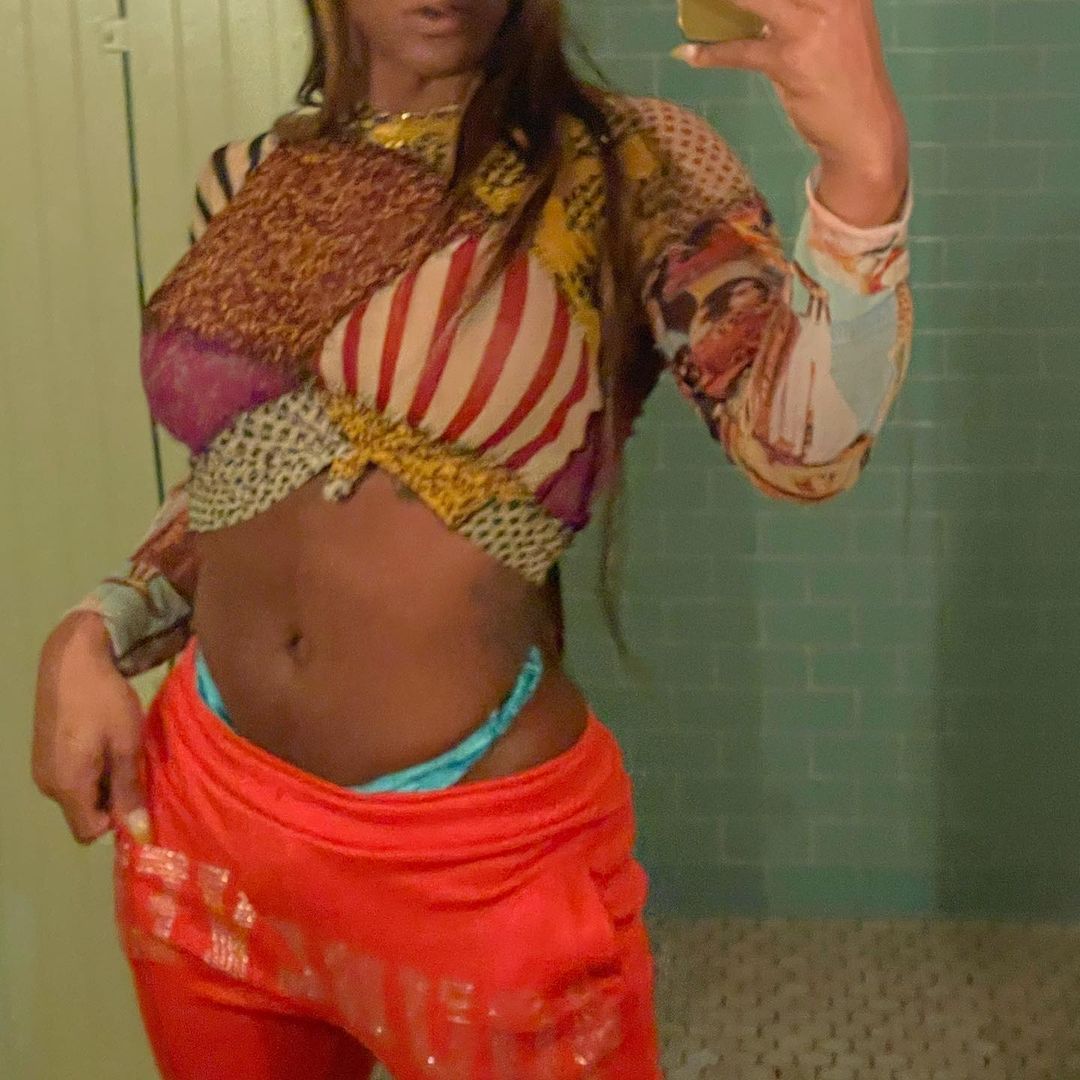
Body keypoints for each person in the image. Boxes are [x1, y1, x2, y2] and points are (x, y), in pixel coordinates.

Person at [31, 0, 913, 1076]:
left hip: (474, 866)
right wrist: (98, 625)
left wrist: (865, 177)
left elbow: (802, 449)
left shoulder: (630, 162)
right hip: (209, 823)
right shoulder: (250, 175)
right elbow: (237, 482)